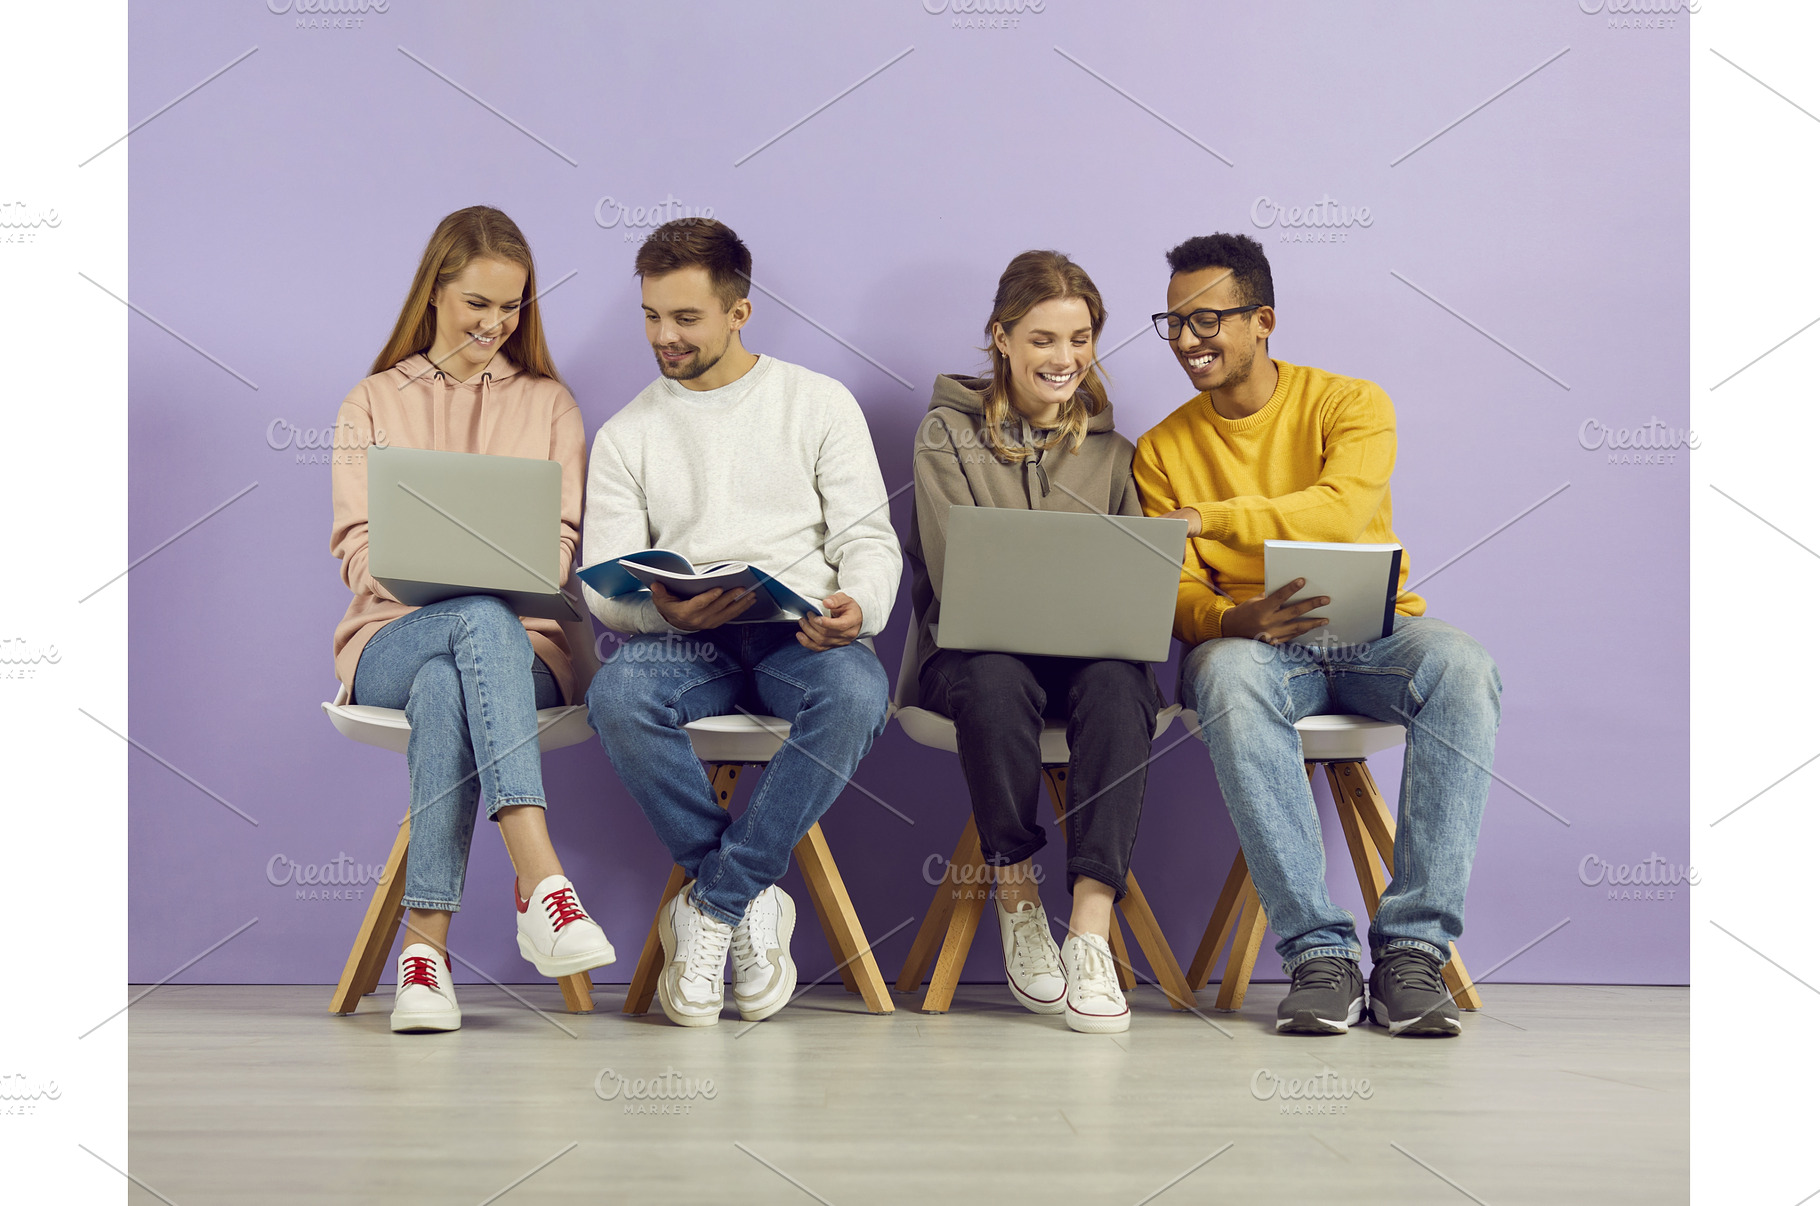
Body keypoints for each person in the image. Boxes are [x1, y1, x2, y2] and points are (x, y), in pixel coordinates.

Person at [1134, 233, 1501, 1038]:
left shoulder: (1352, 403)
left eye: (1207, 321)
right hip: (1256, 652)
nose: (1188, 341)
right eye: (1174, 323)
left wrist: (1212, 517)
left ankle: (1413, 952)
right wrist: (1235, 618)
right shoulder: (1163, 448)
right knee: (1224, 672)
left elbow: (1340, 510)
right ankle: (1317, 955)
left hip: (1375, 637)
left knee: (1463, 667)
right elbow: (1176, 587)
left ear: (1262, 320)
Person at [583, 218, 901, 1028]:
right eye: (652, 315)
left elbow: (868, 538)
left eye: (686, 318)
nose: (664, 336)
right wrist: (657, 607)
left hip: (799, 634)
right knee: (618, 697)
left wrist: (857, 605)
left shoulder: (818, 403)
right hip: (685, 640)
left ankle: (714, 907)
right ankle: (749, 903)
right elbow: (602, 586)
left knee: (859, 694)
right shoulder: (627, 434)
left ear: (739, 313)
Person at [330, 206, 616, 1034]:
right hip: (389, 635)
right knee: (469, 622)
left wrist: (485, 583)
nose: (496, 324)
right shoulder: (374, 401)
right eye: (477, 305)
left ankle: (425, 952)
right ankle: (543, 883)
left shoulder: (550, 404)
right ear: (434, 295)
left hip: (523, 650)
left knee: (455, 670)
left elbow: (559, 549)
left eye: (512, 307)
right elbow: (355, 547)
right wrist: (445, 579)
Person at [905, 250, 1162, 1034]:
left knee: (1123, 683)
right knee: (992, 674)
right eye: (1044, 339)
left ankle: (1088, 929)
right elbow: (961, 581)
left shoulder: (1116, 455)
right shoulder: (945, 436)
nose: (1065, 358)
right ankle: (1015, 897)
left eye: (1080, 339)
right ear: (1003, 339)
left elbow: (1130, 593)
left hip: (1085, 662)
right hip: (975, 658)